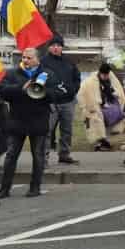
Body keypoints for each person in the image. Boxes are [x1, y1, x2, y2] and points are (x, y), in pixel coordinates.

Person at [0, 47, 51, 199]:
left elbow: (56, 95)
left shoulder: (47, 73)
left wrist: (44, 91)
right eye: (23, 57)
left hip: (38, 120)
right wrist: (21, 89)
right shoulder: (12, 73)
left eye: (29, 58)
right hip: (17, 120)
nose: (25, 60)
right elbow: (2, 91)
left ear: (37, 59)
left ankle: (35, 187)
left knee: (38, 155)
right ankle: (4, 189)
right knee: (11, 155)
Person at [38, 35, 82, 165]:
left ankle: (64, 154)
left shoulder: (69, 62)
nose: (56, 48)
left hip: (68, 102)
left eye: (58, 45)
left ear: (62, 47)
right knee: (46, 131)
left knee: (67, 130)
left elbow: (77, 78)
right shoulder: (42, 62)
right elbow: (38, 80)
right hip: (50, 102)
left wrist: (73, 89)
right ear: (49, 47)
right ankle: (43, 158)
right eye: (53, 45)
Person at [77, 61, 125, 151]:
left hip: (110, 106)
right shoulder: (90, 81)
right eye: (104, 75)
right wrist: (85, 107)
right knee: (97, 123)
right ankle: (101, 142)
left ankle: (105, 142)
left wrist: (115, 95)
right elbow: (81, 94)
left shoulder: (112, 80)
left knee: (109, 123)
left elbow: (119, 92)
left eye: (106, 75)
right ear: (100, 73)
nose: (105, 77)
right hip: (95, 107)